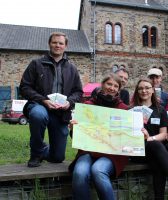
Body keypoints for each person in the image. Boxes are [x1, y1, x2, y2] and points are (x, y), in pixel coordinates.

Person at [19, 32, 83, 167]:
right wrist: (43, 100)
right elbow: (24, 87)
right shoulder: (36, 64)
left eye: (61, 43)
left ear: (65, 46)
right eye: (54, 42)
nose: (57, 45)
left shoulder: (72, 68)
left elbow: (78, 92)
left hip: (60, 112)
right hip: (39, 105)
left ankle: (43, 151)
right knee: (38, 115)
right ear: (49, 44)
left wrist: (69, 102)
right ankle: (36, 154)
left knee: (57, 157)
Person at [69, 73, 128, 200]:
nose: (112, 88)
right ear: (102, 85)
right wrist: (74, 128)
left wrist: (139, 134)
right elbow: (77, 138)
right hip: (88, 151)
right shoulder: (88, 106)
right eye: (109, 84)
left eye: (115, 86)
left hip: (112, 154)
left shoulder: (124, 109)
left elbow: (127, 138)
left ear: (119, 90)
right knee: (80, 172)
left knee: (98, 171)